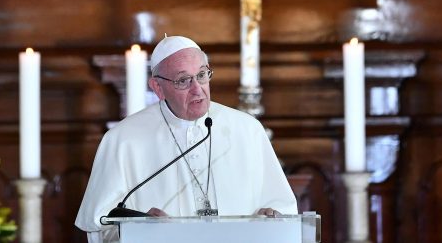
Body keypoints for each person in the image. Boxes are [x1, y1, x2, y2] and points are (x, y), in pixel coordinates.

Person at [75, 35, 297, 243]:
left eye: (201, 75)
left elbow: (283, 210)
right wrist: (136, 228)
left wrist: (271, 218)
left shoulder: (247, 130)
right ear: (158, 88)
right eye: (183, 80)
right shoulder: (123, 140)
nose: (197, 89)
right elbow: (99, 227)